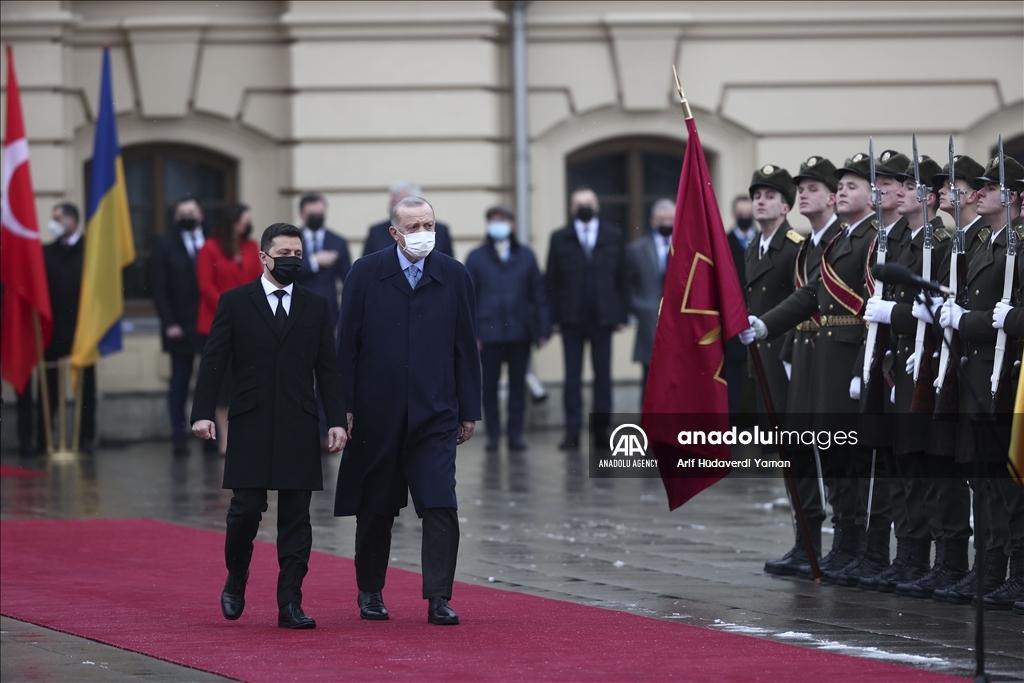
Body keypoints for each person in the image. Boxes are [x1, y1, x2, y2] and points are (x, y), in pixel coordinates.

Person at [191, 222, 348, 630]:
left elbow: (328, 368)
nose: (292, 260)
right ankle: (236, 575)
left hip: (299, 422)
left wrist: (336, 420)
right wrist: (202, 412)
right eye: (284, 254)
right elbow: (214, 361)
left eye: (298, 254)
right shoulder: (235, 302)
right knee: (245, 511)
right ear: (264, 257)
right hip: (251, 421)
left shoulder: (316, 305)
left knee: (297, 517)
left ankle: (290, 602)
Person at [335, 195, 481, 626]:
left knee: (440, 502)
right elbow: (347, 346)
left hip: (435, 411)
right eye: (414, 227)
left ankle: (439, 597)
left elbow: (465, 347)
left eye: (429, 225)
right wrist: (343, 406)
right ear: (394, 232)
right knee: (376, 506)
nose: (423, 234)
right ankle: (370, 592)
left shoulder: (454, 275)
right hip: (376, 413)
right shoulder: (366, 272)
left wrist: (468, 409)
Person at [742, 153, 879, 583]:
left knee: (844, 457)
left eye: (813, 189)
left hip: (836, 357)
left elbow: (854, 306)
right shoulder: (820, 244)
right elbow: (805, 299)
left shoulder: (850, 238)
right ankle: (815, 544)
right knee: (809, 454)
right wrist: (770, 333)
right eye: (801, 189)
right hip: (804, 356)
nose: (805, 196)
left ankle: (851, 547)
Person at [934, 156, 1024, 607]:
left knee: (1009, 479)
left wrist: (976, 320)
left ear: (1015, 197)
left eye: (990, 187)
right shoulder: (989, 243)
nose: (980, 192)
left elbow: (1002, 316)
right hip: (979, 369)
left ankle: (1018, 573)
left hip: (1008, 371)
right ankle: (988, 568)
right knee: (982, 477)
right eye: (981, 186)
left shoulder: (1018, 244)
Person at [545, 186, 628, 450]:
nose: (584, 207)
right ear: (571, 208)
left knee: (603, 377)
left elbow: (622, 277)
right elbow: (552, 280)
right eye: (579, 203)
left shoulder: (613, 235)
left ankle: (601, 430)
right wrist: (553, 318)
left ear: (597, 206)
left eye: (589, 202)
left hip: (603, 317)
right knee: (572, 378)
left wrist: (621, 314)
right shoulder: (560, 237)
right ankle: (572, 431)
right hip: (571, 318)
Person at [465, 205, 550, 452]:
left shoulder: (526, 255)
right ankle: (493, 436)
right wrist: (473, 334)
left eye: (501, 219)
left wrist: (543, 329)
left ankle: (515, 435)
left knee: (517, 387)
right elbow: (468, 298)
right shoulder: (477, 256)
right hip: (488, 333)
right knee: (489, 387)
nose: (497, 224)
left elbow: (539, 294)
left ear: (512, 224)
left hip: (519, 331)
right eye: (492, 220)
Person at [195, 203, 263, 455]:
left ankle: (245, 434)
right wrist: (231, 310)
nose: (247, 224)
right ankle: (224, 440)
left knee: (246, 382)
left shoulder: (252, 246)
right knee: (222, 387)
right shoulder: (209, 248)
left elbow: (259, 280)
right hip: (216, 324)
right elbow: (206, 286)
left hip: (248, 324)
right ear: (231, 222)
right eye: (243, 219)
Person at [149, 197, 207, 455]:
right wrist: (169, 323)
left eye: (192, 211)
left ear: (201, 215)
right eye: (182, 212)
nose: (188, 216)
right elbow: (158, 288)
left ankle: (211, 436)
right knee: (179, 383)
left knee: (209, 382)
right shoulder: (165, 245)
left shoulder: (213, 242)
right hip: (179, 327)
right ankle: (179, 435)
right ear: (175, 217)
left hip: (210, 325)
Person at [626, 199, 674, 403]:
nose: (667, 223)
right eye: (663, 219)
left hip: (678, 323)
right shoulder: (637, 249)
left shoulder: (685, 247)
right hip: (649, 323)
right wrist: (641, 308)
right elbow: (628, 285)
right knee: (650, 379)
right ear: (653, 221)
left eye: (671, 219)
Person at [294, 193, 351, 329]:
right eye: (312, 214)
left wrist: (344, 318)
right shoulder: (292, 240)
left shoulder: (337, 242)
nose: (316, 217)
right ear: (301, 214)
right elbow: (288, 272)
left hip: (329, 314)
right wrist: (313, 261)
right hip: (297, 311)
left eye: (319, 214)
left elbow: (348, 281)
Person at [362, 181, 454, 258]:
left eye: (429, 226)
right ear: (394, 232)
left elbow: (448, 263)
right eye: (392, 202)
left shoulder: (441, 230)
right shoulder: (376, 231)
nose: (394, 207)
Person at [725, 196, 757, 418]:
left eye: (748, 213)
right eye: (741, 214)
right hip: (734, 315)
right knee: (734, 370)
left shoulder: (764, 240)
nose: (745, 217)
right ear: (734, 214)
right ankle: (734, 419)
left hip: (761, 315)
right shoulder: (724, 243)